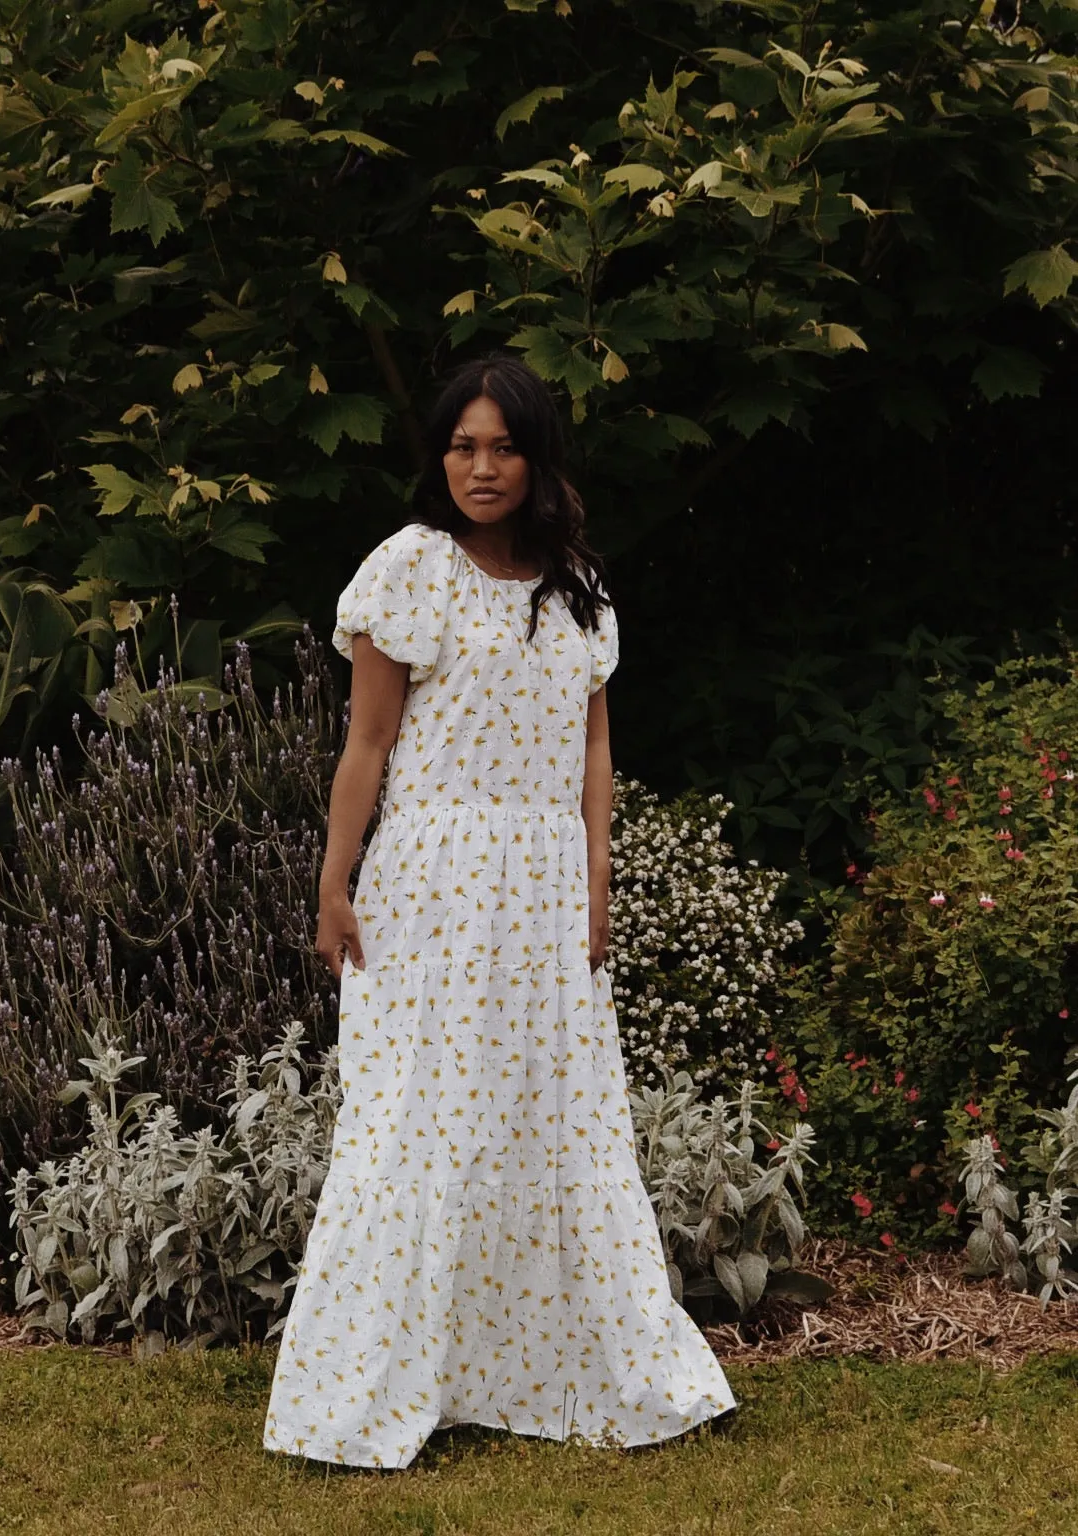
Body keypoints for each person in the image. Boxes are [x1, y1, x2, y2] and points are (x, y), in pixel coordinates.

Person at [263, 354, 735, 1468]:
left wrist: (596, 884)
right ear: (440, 457)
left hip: (543, 884)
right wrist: (334, 884)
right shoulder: (407, 572)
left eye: (504, 446)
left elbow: (594, 748)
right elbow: (366, 745)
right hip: (430, 882)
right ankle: (367, 1392)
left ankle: (539, 1368)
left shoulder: (577, 584)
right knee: (415, 1123)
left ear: (536, 457)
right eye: (463, 446)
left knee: (551, 1122)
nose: (482, 467)